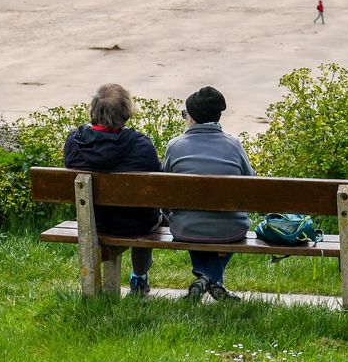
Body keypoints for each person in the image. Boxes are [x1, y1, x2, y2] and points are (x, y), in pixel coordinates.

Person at [64, 84, 163, 297]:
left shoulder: (75, 143)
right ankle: (139, 276)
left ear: (93, 110)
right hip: (137, 224)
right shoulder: (141, 145)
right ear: (126, 112)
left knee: (145, 212)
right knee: (148, 213)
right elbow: (158, 184)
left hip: (93, 222)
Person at [163, 86, 254, 302]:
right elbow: (250, 182)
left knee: (195, 219)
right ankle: (213, 280)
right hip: (230, 229)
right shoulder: (234, 145)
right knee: (217, 222)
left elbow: (165, 190)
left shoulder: (174, 146)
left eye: (185, 114)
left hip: (186, 228)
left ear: (192, 118)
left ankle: (205, 278)